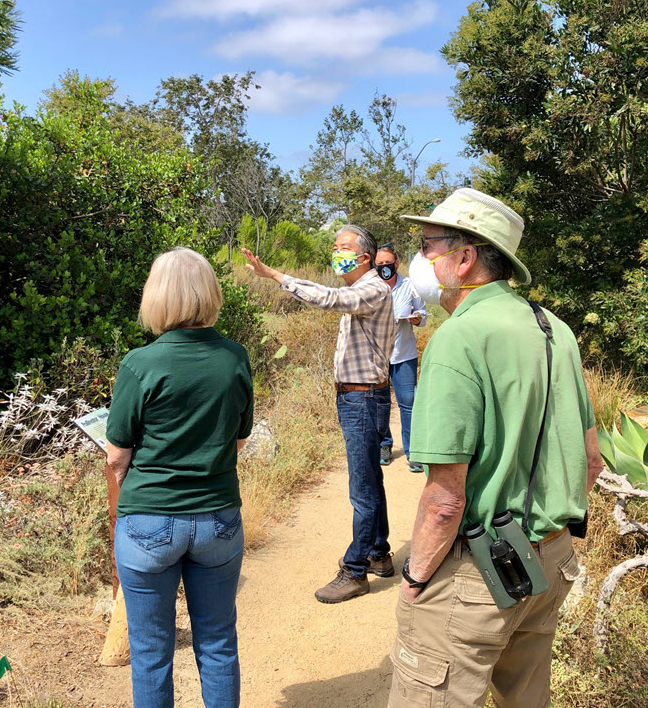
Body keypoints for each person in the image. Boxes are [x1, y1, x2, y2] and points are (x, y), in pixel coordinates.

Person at [387, 189, 604, 708]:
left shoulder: (458, 339)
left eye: (428, 245)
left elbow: (444, 501)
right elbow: (591, 460)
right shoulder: (555, 329)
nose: (421, 257)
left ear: (464, 258)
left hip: (481, 571)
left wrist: (416, 577)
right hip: (551, 559)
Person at [105, 247, 254, 708]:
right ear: (210, 293)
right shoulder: (234, 358)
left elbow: (116, 458)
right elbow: (239, 440)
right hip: (218, 520)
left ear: (157, 297)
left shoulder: (139, 363)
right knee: (218, 644)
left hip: (149, 520)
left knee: (151, 654)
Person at [240, 225, 395, 604]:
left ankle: (355, 570)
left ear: (364, 257)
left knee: (362, 488)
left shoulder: (372, 289)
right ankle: (378, 553)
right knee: (370, 479)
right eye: (334, 246)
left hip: (363, 398)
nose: (335, 252)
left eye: (343, 248)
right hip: (359, 397)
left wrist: (276, 276)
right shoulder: (361, 292)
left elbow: (326, 298)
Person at [373, 244, 427, 472]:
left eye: (388, 264)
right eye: (380, 265)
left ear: (396, 263)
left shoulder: (410, 286)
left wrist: (416, 319)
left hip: (404, 354)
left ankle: (413, 450)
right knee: (380, 402)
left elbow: (422, 314)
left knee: (408, 402)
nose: (384, 268)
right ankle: (384, 444)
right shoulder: (370, 287)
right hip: (377, 355)